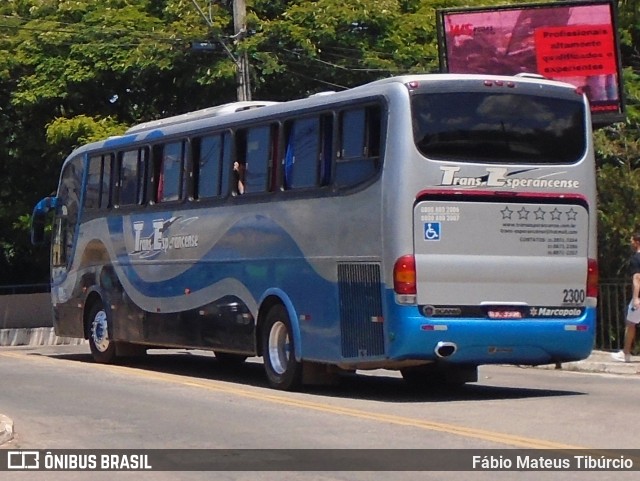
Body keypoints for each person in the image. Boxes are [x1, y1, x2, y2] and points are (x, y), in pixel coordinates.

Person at [612, 232, 640, 362]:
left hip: (639, 297)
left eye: (632, 240)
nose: (630, 243)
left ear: (637, 242)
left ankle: (626, 353)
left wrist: (635, 298)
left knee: (630, 324)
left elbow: (637, 278)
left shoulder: (636, 259)